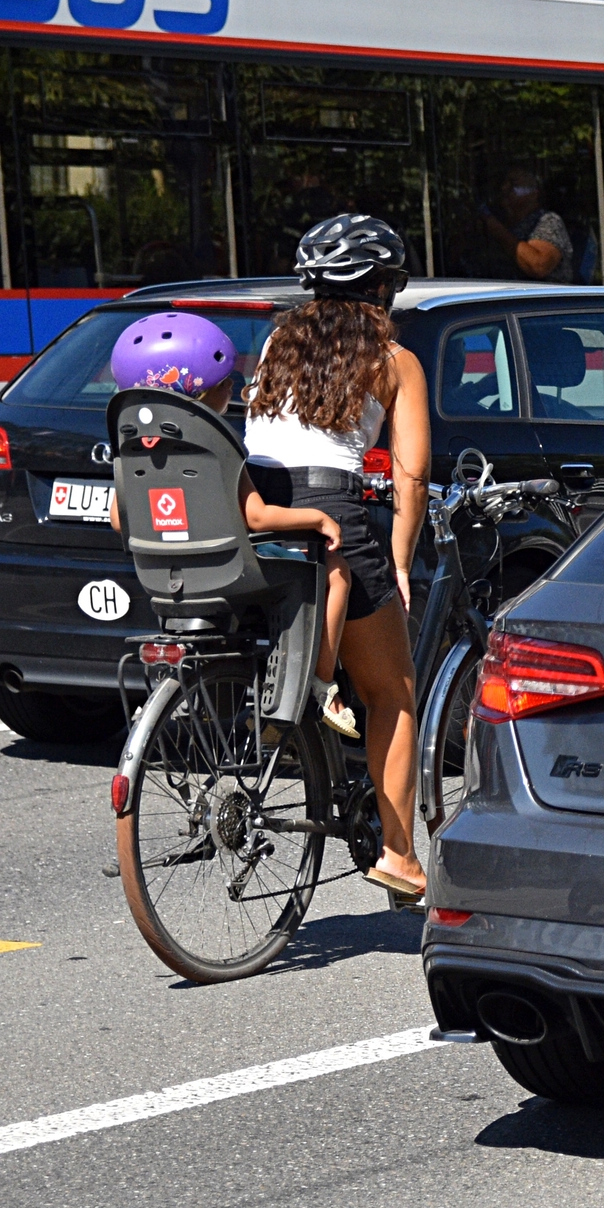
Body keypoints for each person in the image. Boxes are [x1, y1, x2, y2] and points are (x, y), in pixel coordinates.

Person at [244, 213, 431, 904]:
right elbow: (410, 477)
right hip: (335, 516)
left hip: (262, 512)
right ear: (381, 286)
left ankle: (307, 692)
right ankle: (401, 855)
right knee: (395, 691)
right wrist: (402, 559)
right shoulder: (392, 361)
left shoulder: (275, 345)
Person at [104, 312, 352, 728]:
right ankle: (319, 684)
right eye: (224, 383)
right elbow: (256, 515)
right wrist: (318, 517)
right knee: (333, 572)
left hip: (161, 576)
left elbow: (118, 520)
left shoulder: (132, 447)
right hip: (231, 571)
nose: (233, 388)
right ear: (200, 394)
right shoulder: (213, 442)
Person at [480, 167, 573, 283]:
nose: (504, 189)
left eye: (513, 185)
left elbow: (539, 266)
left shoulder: (548, 221)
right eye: (504, 184)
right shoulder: (504, 220)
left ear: (534, 193)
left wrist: (495, 228)